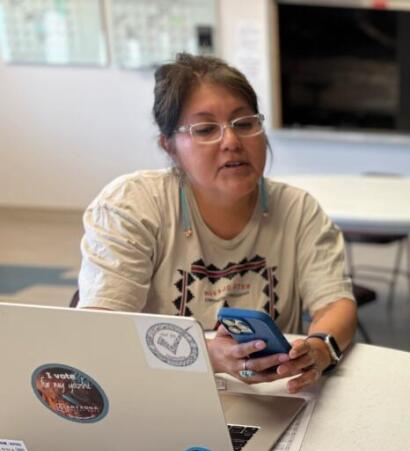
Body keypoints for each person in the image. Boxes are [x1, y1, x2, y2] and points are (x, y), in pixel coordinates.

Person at [78, 54, 356, 394]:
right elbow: (102, 332)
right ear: (169, 147)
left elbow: (335, 303)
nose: (231, 141)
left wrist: (319, 348)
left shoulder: (297, 209)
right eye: (206, 129)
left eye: (244, 123)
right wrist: (207, 356)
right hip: (158, 393)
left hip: (270, 398)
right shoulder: (132, 206)